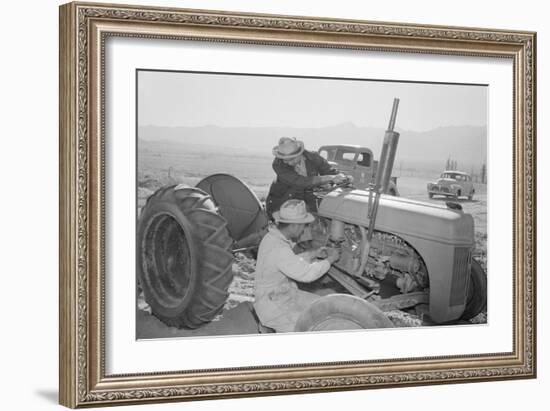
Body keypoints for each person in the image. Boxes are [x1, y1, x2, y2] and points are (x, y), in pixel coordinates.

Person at [253, 199, 340, 333]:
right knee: (308, 328)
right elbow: (307, 274)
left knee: (322, 306)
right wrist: (330, 260)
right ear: (294, 226)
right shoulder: (279, 248)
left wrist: (313, 254)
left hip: (279, 294)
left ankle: (268, 329)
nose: (304, 230)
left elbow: (290, 262)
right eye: (304, 226)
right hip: (272, 304)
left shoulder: (272, 238)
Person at [266, 137, 349, 218]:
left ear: (300, 153)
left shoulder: (313, 157)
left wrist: (343, 178)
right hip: (283, 203)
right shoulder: (278, 165)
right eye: (285, 159)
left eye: (291, 159)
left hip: (306, 200)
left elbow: (330, 171)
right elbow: (301, 182)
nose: (288, 162)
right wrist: (330, 178)